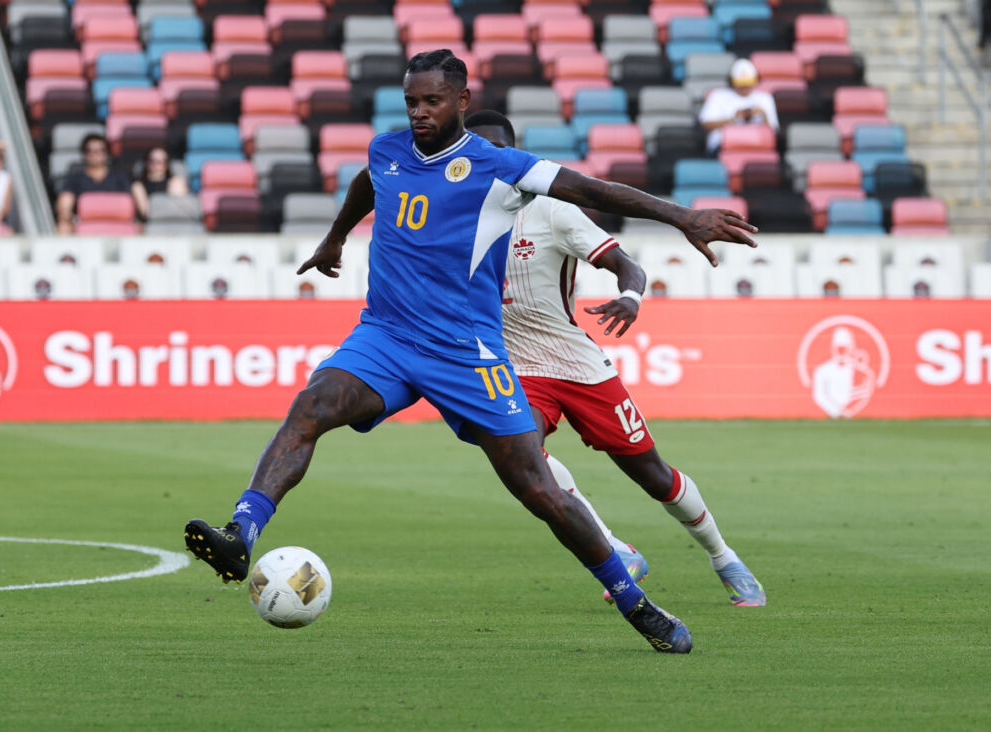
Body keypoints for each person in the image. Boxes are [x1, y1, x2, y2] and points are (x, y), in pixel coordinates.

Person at [184, 49, 757, 653]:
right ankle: (241, 534)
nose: (419, 113)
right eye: (411, 102)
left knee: (538, 487)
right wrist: (334, 240)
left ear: (461, 100)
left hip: (467, 352)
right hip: (386, 336)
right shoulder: (388, 151)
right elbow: (368, 184)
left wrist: (681, 216)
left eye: (431, 101)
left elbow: (594, 188)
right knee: (312, 406)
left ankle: (635, 602)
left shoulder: (499, 167)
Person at [464, 110, 766, 607]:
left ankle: (722, 555)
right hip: (516, 367)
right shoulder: (456, 218)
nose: (488, 163)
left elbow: (627, 267)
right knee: (524, 458)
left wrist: (631, 298)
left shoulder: (552, 210)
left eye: (497, 152)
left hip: (577, 364)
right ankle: (617, 550)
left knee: (654, 475)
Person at [698, 58, 779, 154]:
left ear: (756, 81)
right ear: (731, 82)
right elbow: (705, 124)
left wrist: (764, 116)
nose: (744, 88)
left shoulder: (765, 98)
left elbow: (773, 132)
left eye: (748, 84)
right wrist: (733, 119)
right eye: (741, 84)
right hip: (723, 146)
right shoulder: (717, 95)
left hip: (757, 145)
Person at [55, 133, 130, 234]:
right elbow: (65, 203)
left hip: (118, 226)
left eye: (98, 151)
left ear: (106, 153)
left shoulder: (119, 178)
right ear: (84, 153)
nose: (93, 154)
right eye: (89, 150)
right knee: (63, 226)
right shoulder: (75, 178)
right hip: (82, 226)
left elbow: (128, 205)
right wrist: (67, 217)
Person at [131, 146, 188, 221]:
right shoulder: (139, 186)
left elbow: (180, 209)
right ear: (147, 162)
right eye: (152, 160)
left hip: (173, 220)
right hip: (150, 222)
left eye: (161, 161)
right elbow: (146, 213)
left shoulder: (175, 182)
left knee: (177, 183)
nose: (156, 164)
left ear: (167, 164)